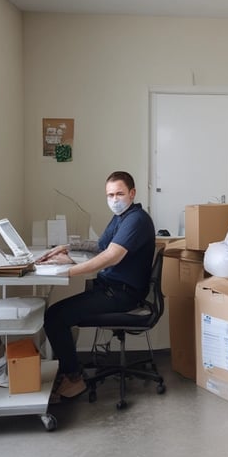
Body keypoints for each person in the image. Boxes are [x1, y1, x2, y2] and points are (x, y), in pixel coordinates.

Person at [38, 170, 156, 400]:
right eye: (110, 195)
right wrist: (67, 248)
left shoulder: (137, 220)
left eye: (119, 193)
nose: (114, 200)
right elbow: (101, 245)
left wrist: (68, 271)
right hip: (110, 287)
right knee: (59, 314)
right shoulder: (122, 217)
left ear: (132, 193)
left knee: (54, 317)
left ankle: (74, 379)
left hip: (122, 294)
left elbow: (111, 256)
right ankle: (68, 369)